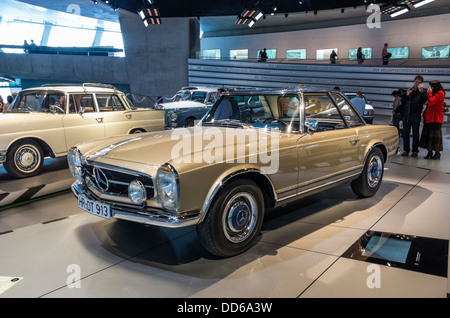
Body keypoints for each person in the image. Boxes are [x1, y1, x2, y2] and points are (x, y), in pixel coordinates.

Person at [396, 75, 427, 157]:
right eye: (416, 82)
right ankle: (406, 150)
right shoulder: (410, 90)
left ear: (421, 83)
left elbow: (424, 101)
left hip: (416, 115)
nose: (417, 83)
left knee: (415, 133)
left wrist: (421, 92)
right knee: (405, 133)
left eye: (419, 82)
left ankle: (415, 151)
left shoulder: (423, 91)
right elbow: (403, 101)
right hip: (407, 114)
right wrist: (406, 95)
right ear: (414, 82)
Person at [419, 80, 445, 160]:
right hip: (429, 117)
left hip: (436, 118)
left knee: (435, 137)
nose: (429, 88)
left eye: (431, 86)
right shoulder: (433, 93)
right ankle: (429, 152)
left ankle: (437, 153)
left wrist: (429, 93)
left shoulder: (440, 93)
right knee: (428, 136)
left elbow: (431, 102)